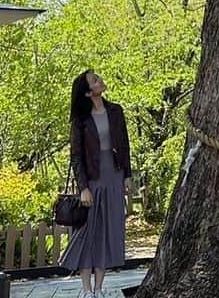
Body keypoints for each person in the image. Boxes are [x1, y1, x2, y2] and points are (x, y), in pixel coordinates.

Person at [61, 70, 132, 298]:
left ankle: (100, 288)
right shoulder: (80, 120)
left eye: (99, 77)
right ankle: (86, 289)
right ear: (88, 91)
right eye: (95, 80)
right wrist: (83, 188)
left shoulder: (115, 111)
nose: (101, 80)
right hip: (92, 177)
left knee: (108, 229)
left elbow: (124, 144)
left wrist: (128, 175)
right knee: (88, 231)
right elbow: (76, 156)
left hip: (114, 174)